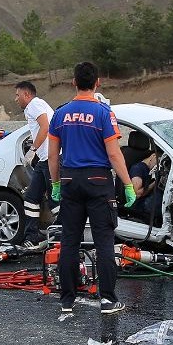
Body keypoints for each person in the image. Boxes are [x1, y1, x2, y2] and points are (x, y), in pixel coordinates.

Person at [47, 61, 135, 315]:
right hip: (98, 181)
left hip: (70, 181)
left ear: (73, 82)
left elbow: (53, 155)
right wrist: (128, 185)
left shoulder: (60, 113)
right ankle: (107, 299)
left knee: (70, 241)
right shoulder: (103, 113)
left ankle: (67, 300)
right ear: (98, 83)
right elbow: (114, 154)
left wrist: (54, 183)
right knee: (104, 241)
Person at [14, 81, 53, 247]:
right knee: (31, 197)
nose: (16, 99)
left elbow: (45, 126)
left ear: (26, 95)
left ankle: (62, 235)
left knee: (56, 200)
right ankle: (32, 235)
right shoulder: (38, 105)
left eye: (17, 95)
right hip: (45, 160)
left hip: (52, 159)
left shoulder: (34, 105)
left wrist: (32, 149)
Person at [128, 151, 164, 225]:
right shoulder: (138, 168)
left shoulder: (150, 170)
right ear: (153, 156)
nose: (159, 166)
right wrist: (155, 182)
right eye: (159, 162)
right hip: (140, 205)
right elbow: (136, 193)